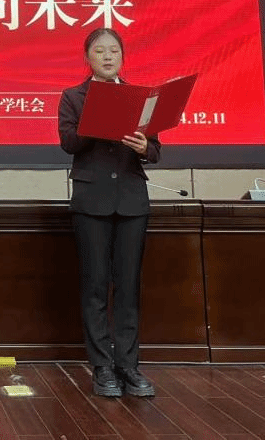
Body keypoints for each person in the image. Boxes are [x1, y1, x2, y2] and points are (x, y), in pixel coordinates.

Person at [57, 27, 161, 399]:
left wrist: (144, 146)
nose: (107, 56)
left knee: (128, 286)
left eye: (114, 50)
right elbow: (68, 142)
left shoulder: (141, 98)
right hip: (92, 200)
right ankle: (102, 366)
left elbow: (156, 150)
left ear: (122, 57)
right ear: (88, 58)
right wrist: (98, 119)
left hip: (132, 199)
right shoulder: (73, 96)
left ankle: (128, 365)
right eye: (99, 51)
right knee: (96, 285)